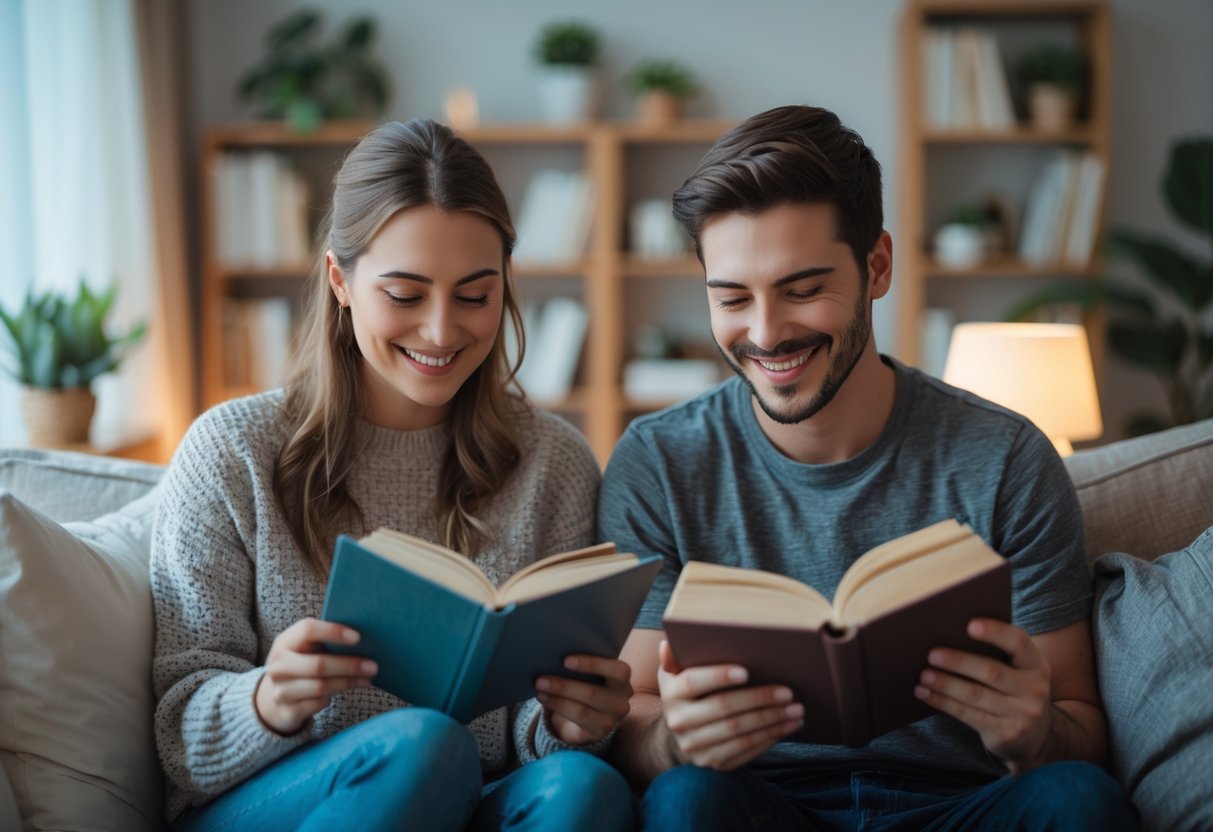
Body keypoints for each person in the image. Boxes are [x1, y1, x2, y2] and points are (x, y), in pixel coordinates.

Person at [598, 105, 1138, 831]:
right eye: (731, 298)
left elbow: (1080, 727)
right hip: (762, 804)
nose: (763, 334)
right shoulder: (658, 462)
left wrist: (1035, 732)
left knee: (1079, 799)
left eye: (801, 289)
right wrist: (668, 738)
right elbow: (628, 710)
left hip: (959, 804)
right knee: (683, 797)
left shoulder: (1004, 458)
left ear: (875, 266)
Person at [152, 118, 635, 832]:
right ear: (340, 280)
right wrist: (267, 700)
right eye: (406, 295)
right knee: (423, 744)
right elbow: (180, 740)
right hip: (280, 802)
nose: (441, 332)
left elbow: (534, 727)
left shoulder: (552, 460)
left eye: (475, 296)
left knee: (583, 787)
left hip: (469, 796)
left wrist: (572, 722)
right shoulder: (231, 451)